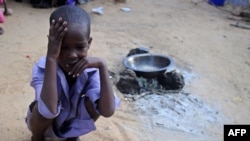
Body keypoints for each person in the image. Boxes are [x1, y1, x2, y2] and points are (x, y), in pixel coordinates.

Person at [25, 5, 120, 141]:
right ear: (52, 44)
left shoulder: (91, 70)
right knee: (40, 108)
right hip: (45, 126)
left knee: (95, 102)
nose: (72, 55)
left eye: (80, 47)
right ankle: (37, 137)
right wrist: (51, 57)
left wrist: (102, 65)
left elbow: (107, 111)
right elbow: (48, 110)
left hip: (70, 121)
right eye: (63, 47)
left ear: (89, 43)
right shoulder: (43, 67)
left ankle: (72, 135)